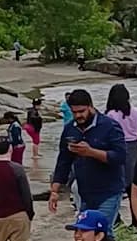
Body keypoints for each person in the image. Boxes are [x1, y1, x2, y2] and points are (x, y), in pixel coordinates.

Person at [50, 89, 126, 232]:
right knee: (86, 232)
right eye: (74, 112)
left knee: (102, 233)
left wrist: (91, 152)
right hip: (84, 192)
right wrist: (55, 190)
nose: (78, 116)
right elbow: (64, 160)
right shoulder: (70, 130)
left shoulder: (110, 126)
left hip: (109, 191)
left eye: (82, 111)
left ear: (91, 106)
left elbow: (120, 157)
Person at [106, 83, 137, 190]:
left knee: (120, 176)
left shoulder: (111, 114)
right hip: (135, 146)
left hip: (118, 147)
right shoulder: (136, 112)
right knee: (135, 177)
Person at [24, 98, 43, 165]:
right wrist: (39, 118)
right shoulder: (34, 112)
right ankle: (35, 155)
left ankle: (36, 153)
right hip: (33, 128)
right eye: (39, 105)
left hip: (29, 126)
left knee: (36, 141)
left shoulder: (31, 110)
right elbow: (34, 119)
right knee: (36, 141)